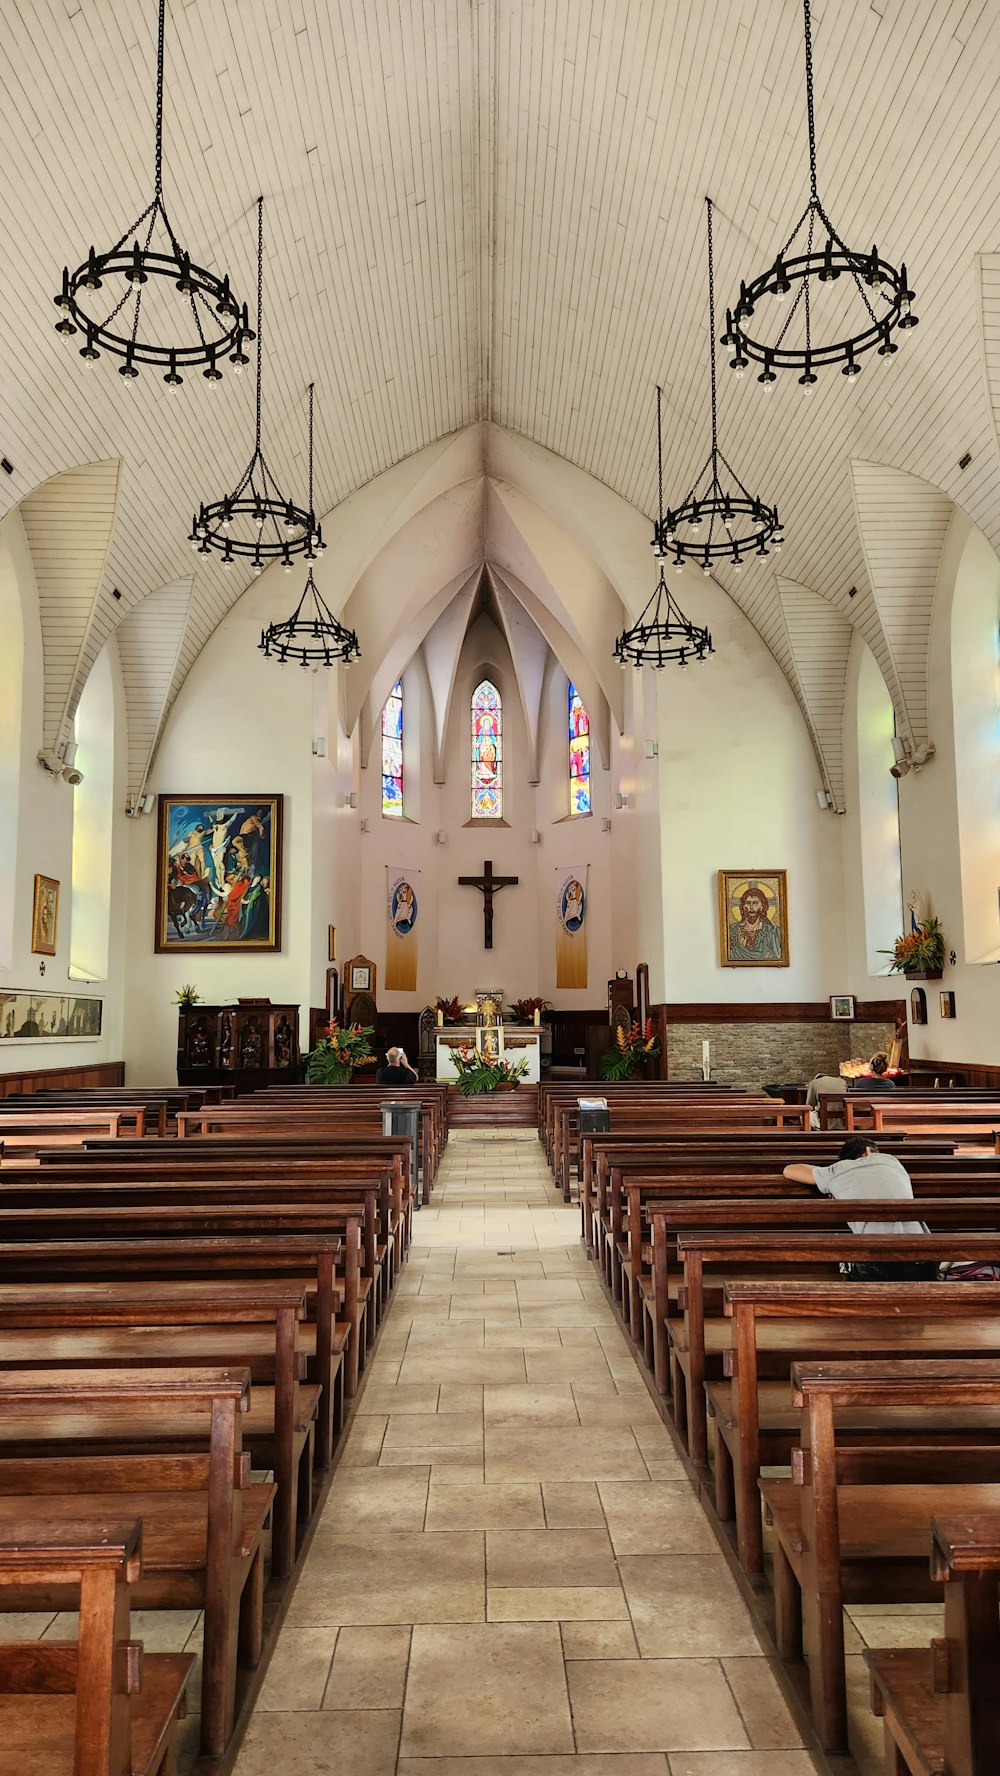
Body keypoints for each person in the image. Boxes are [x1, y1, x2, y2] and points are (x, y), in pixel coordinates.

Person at [783, 1136, 937, 1280]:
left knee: (844, 1261)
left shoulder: (838, 1170)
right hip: (925, 1259)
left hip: (877, 1264)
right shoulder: (892, 1161)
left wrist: (833, 1183)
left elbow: (789, 1170)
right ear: (869, 1150)